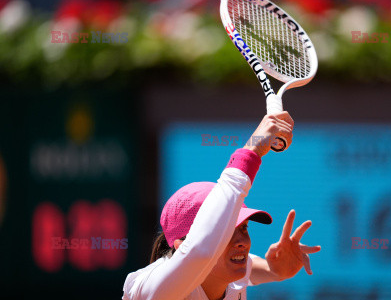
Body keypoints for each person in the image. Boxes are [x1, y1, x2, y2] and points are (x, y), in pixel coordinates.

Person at [122, 112, 321, 300]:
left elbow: (249, 266)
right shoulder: (152, 288)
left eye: (243, 227)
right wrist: (251, 150)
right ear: (181, 246)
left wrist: (274, 270)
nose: (242, 241)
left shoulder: (231, 273)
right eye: (225, 232)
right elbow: (201, 252)